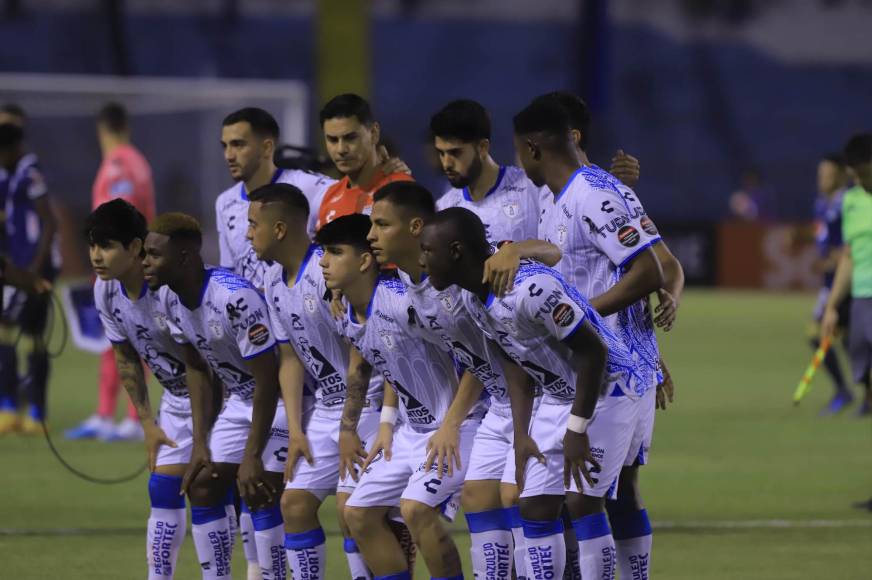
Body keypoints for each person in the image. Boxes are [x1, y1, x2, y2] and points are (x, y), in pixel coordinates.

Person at [420, 206, 644, 579]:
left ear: (455, 251)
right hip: (558, 398)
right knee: (534, 506)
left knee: (583, 503)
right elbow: (514, 360)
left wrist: (576, 429)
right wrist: (521, 434)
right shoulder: (475, 297)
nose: (422, 259)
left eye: (427, 250)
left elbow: (594, 352)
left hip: (609, 392)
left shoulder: (530, 289)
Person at [511, 97, 675, 580]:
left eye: (518, 152)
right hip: (587, 371)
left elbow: (651, 270)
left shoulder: (594, 194)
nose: (519, 162)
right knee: (572, 499)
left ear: (533, 148)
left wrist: (579, 317)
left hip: (613, 374)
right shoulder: (563, 197)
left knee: (584, 500)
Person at [370, 180, 563, 579]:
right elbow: (475, 354)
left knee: (519, 500)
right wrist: (391, 419)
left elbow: (551, 252)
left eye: (381, 225)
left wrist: (514, 249)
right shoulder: (411, 285)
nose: (372, 235)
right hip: (498, 398)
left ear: (416, 229)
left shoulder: (461, 275)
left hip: (530, 396)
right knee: (481, 499)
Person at [317, 212, 483, 580]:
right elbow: (390, 358)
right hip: (409, 433)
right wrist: (388, 423)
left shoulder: (404, 303)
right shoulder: (345, 310)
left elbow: (479, 356)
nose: (323, 261)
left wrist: (452, 425)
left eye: (334, 251)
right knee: (357, 514)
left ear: (363, 261)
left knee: (416, 510)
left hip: (459, 427)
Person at [245, 182, 384, 579]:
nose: (247, 232)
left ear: (281, 229)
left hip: (366, 406)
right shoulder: (273, 283)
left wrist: (350, 426)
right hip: (324, 411)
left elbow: (361, 348)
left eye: (254, 223)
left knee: (349, 511)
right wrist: (295, 431)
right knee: (294, 505)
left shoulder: (327, 275)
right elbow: (289, 358)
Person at [143, 213, 288, 579]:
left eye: (154, 255)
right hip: (241, 400)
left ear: (185, 257)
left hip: (285, 399)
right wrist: (199, 442)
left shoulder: (233, 298)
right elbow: (196, 367)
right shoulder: (166, 297)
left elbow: (269, 378)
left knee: (258, 485)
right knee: (203, 482)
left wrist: (251, 454)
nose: (144, 262)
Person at [86, 199, 192, 579]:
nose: (96, 256)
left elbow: (205, 362)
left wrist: (212, 431)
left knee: (221, 495)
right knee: (163, 490)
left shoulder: (168, 289)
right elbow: (127, 358)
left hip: (225, 400)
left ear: (135, 247)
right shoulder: (106, 289)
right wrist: (147, 423)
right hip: (177, 403)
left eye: (107, 246)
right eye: (93, 245)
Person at [66, 102, 157, 442]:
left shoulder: (118, 165)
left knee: (135, 339)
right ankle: (106, 414)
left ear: (103, 130)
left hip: (124, 268)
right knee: (114, 341)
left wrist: (109, 257)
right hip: (126, 264)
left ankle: (133, 418)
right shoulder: (138, 162)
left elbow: (120, 217)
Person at [217, 107, 335, 289]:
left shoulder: (312, 187)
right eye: (225, 146)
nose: (229, 156)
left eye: (238, 145)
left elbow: (355, 196)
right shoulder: (224, 202)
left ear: (267, 147)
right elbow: (229, 270)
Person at [0, 121, 58, 435]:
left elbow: (49, 222)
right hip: (17, 266)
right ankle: (16, 409)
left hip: (34, 267)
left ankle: (33, 411)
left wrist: (37, 268)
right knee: (12, 330)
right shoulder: (9, 176)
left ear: (11, 149)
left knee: (28, 333)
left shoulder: (29, 172)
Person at [822, 133, 872, 419]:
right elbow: (848, 256)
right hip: (862, 293)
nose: (861, 183)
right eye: (855, 177)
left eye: (864, 175)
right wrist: (831, 306)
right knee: (859, 354)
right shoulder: (852, 200)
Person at [811, 153, 863, 415]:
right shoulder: (822, 204)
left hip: (848, 284)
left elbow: (849, 246)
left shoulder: (848, 202)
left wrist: (836, 259)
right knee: (832, 338)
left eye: (827, 175)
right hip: (829, 284)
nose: (822, 179)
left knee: (849, 339)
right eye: (821, 174)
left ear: (841, 175)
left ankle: (851, 392)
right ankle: (850, 391)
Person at [315, 94, 413, 231]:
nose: (341, 149)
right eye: (332, 140)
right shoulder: (330, 195)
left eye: (350, 138)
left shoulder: (400, 189)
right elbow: (322, 252)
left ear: (374, 133)